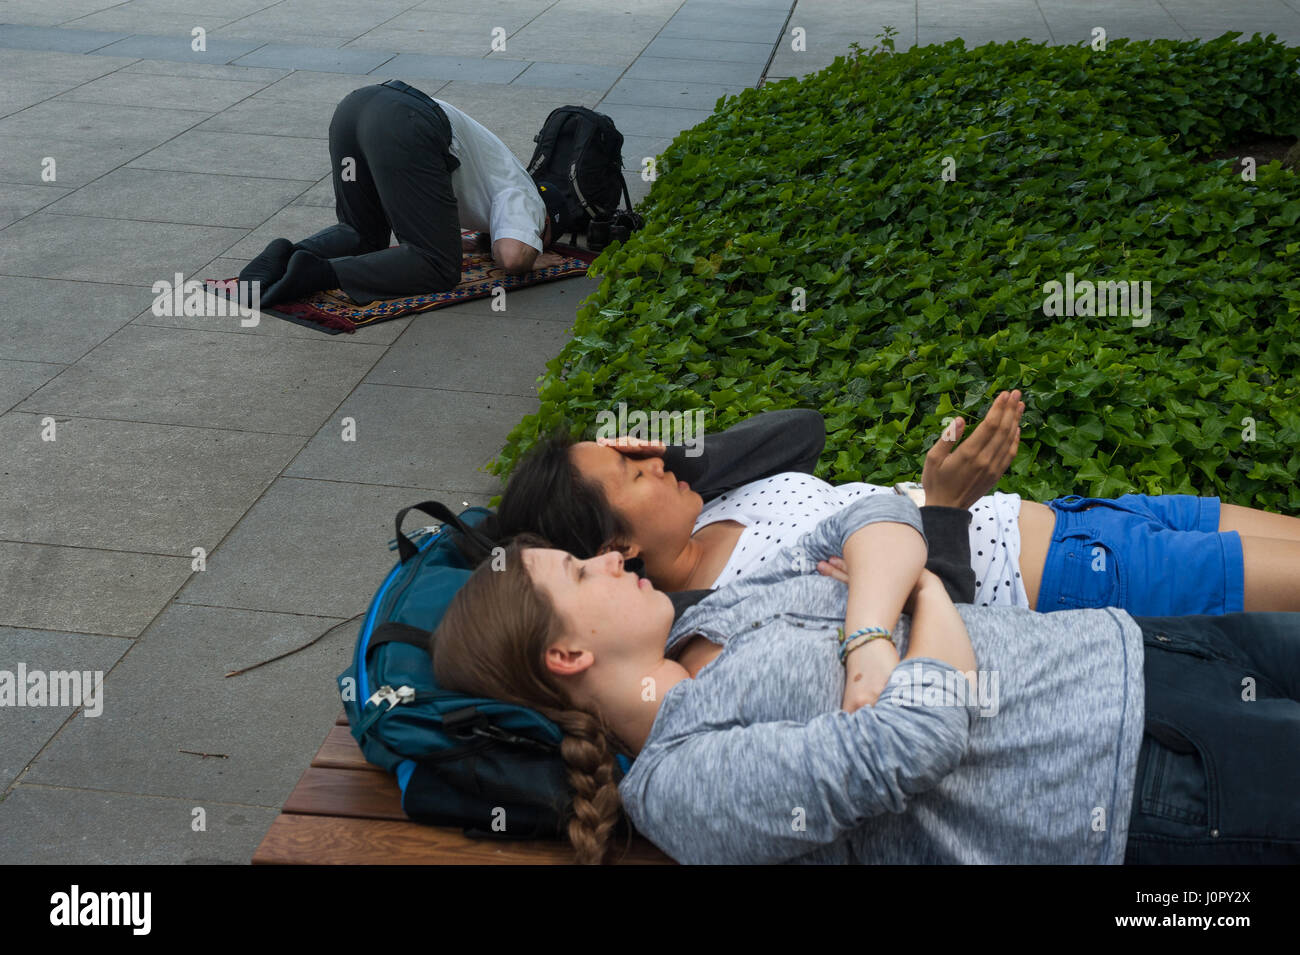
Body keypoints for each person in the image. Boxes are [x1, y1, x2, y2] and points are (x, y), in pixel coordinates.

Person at [434, 494, 1300, 864]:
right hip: (1143, 777)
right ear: (567, 656)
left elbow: (877, 517)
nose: (610, 557)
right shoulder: (683, 777)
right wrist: (920, 590)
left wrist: (876, 636)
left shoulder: (710, 616)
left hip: (1145, 646)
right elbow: (919, 735)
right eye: (581, 573)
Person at [494, 391, 1300, 616]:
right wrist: (943, 508)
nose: (650, 453)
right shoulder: (736, 604)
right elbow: (921, 635)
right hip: (1072, 581)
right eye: (630, 470)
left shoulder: (709, 502)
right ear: (618, 548)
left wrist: (669, 461)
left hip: (1085, 515)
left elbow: (797, 428)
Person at [238, 79, 559, 308]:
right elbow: (514, 257)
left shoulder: (496, 173)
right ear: (544, 221)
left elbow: (433, 219)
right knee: (439, 267)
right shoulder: (527, 194)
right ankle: (316, 274)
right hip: (404, 125)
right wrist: (533, 259)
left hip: (356, 109)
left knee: (361, 236)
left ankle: (288, 254)